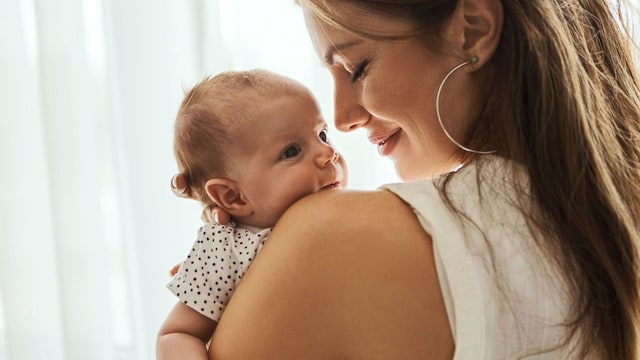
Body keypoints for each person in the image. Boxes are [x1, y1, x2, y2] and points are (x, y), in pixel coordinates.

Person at [170, 0, 640, 358]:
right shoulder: (616, 216)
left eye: (356, 67)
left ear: (472, 30)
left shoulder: (329, 239)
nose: (342, 118)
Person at [156, 69, 347, 360]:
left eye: (322, 134)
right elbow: (177, 333)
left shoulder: (348, 217)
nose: (326, 153)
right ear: (233, 196)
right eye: (292, 151)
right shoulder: (226, 249)